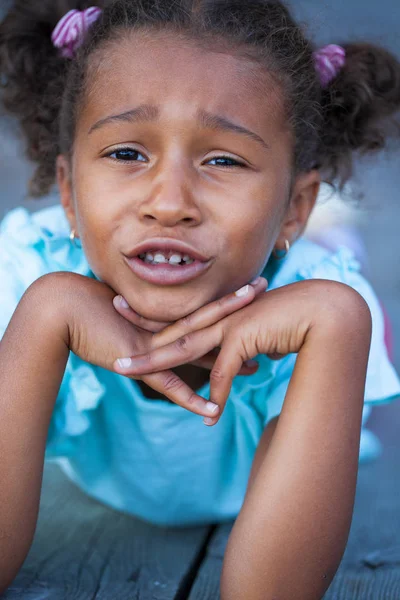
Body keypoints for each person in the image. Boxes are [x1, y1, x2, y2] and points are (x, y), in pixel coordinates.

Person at [0, 0, 399, 597]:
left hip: (291, 269)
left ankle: (328, 232)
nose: (169, 201)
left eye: (223, 159)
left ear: (296, 204)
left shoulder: (321, 316)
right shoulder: (28, 269)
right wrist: (46, 312)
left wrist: (339, 320)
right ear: (67, 191)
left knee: (353, 299)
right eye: (128, 153)